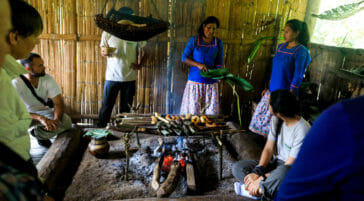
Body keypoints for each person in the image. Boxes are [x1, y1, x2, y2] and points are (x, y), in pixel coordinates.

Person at [276, 96, 364, 201]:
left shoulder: (343, 119)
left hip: (285, 168)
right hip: (280, 166)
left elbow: (288, 195)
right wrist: (260, 169)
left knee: (282, 171)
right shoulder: (344, 120)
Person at [232, 90, 311, 200]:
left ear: (279, 112)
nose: (267, 104)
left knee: (282, 173)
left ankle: (260, 190)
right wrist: (257, 171)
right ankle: (262, 190)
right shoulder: (277, 119)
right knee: (238, 167)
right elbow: (268, 148)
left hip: (291, 170)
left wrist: (262, 178)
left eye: (269, 103)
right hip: (275, 164)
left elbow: (288, 165)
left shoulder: (302, 130)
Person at [249, 19, 311, 137]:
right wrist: (268, 88)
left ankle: (275, 151)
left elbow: (298, 75)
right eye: (284, 31)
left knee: (278, 127)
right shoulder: (281, 47)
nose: (284, 34)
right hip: (272, 91)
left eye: (287, 31)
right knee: (259, 120)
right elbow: (275, 70)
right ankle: (264, 147)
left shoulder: (301, 51)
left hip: (285, 94)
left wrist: (289, 94)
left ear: (297, 33)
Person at [0, 0, 43, 161]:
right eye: (35, 36)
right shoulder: (2, 79)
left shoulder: (7, 73)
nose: (37, 42)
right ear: (15, 37)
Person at [97, 6, 148, 128]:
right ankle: (99, 131)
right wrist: (105, 53)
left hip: (129, 77)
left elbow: (148, 51)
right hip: (112, 77)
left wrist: (140, 65)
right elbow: (102, 50)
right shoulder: (108, 31)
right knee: (106, 107)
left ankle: (123, 133)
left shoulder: (135, 33)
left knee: (126, 110)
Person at [12, 53, 72, 147]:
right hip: (23, 116)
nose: (44, 67)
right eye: (40, 65)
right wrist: (41, 118)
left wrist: (56, 120)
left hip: (43, 112)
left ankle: (38, 135)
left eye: (42, 64)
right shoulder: (16, 82)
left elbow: (58, 103)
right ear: (28, 69)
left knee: (66, 121)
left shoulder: (47, 79)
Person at [180, 16, 223, 115]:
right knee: (193, 115)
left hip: (211, 85)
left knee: (210, 116)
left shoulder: (218, 42)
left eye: (214, 29)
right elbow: (184, 57)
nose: (211, 31)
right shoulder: (194, 40)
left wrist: (219, 73)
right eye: (209, 28)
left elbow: (219, 62)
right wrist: (198, 65)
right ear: (203, 26)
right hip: (195, 83)